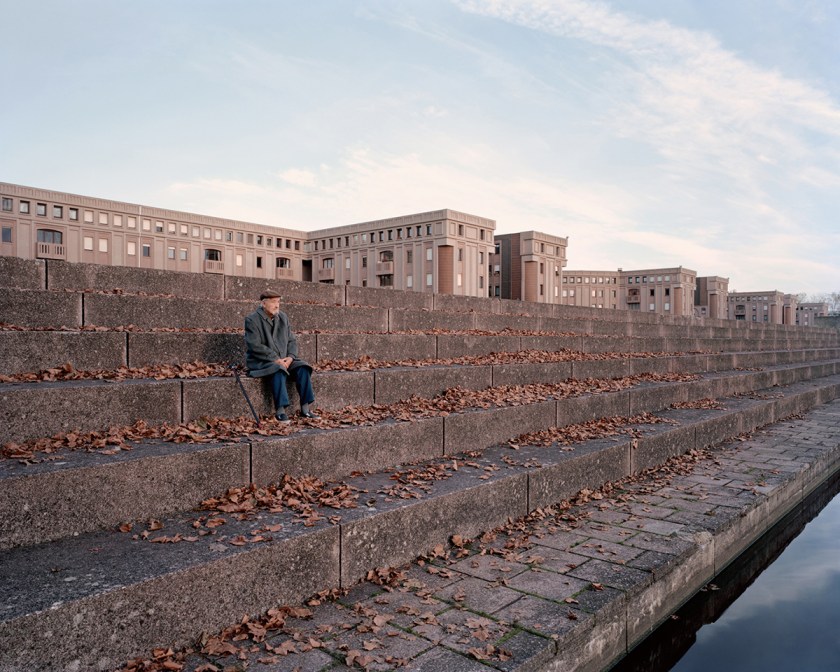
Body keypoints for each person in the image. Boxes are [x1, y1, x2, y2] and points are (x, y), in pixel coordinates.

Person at [244, 290, 319, 423]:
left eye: (278, 302)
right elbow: (254, 345)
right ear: (263, 303)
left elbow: (292, 340)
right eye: (273, 302)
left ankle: (305, 409)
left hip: (285, 359)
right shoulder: (252, 319)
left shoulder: (283, 317)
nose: (277, 305)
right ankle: (280, 411)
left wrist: (290, 357)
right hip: (263, 361)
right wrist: (275, 358)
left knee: (303, 367)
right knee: (277, 369)